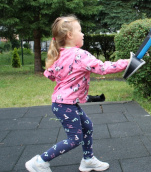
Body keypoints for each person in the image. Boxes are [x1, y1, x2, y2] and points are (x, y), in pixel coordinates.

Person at [25, 15, 128, 172]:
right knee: (74, 139)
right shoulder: (80, 55)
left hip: (63, 104)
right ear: (70, 35)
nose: (83, 34)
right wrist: (126, 62)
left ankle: (88, 160)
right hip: (65, 105)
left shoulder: (61, 54)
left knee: (87, 127)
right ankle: (40, 161)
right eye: (80, 31)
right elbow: (103, 68)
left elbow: (51, 75)